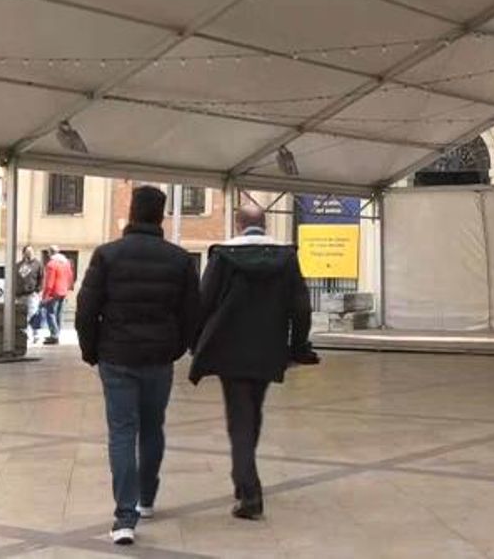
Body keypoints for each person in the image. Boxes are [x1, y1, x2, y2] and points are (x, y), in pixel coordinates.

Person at [76, 186, 201, 546]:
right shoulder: (179, 259)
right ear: (161, 216)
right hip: (159, 358)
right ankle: (147, 497)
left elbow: (86, 309)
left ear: (132, 213)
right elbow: (192, 313)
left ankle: (124, 517)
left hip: (116, 357)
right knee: (152, 427)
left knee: (121, 432)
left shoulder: (107, 255)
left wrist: (90, 351)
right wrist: (176, 348)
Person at [190, 205, 318, 522]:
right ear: (265, 223)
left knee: (240, 419)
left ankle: (249, 492)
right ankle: (244, 479)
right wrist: (297, 347)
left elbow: (203, 302)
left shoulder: (223, 255)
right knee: (252, 412)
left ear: (238, 224)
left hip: (230, 349)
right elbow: (302, 307)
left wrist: (195, 343)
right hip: (268, 348)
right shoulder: (286, 257)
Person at [40, 246, 74, 345]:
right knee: (58, 313)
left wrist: (45, 296)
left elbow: (49, 282)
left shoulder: (51, 264)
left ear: (50, 253)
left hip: (54, 292)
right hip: (63, 291)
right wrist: (68, 288)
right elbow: (70, 276)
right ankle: (57, 333)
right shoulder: (66, 263)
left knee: (50, 313)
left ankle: (54, 335)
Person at [16, 246, 45, 338]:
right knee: (22, 314)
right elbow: (15, 278)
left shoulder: (37, 264)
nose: (29, 253)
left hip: (32, 294)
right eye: (27, 251)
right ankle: (25, 332)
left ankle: (34, 333)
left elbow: (41, 278)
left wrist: (38, 290)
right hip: (20, 294)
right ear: (23, 253)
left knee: (33, 313)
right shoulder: (19, 265)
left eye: (31, 251)